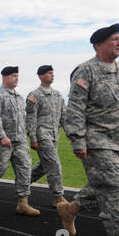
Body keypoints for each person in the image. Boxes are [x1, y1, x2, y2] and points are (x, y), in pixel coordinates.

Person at [57, 23, 119, 236]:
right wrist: (78, 140)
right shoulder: (86, 71)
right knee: (114, 188)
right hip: (97, 141)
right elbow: (75, 109)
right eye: (115, 38)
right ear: (99, 44)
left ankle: (70, 209)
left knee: (102, 183)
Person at [0, 66, 41, 216]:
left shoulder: (19, 97)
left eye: (17, 76)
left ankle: (23, 203)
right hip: (2, 141)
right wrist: (1, 136)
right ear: (5, 77)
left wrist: (27, 137)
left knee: (24, 169)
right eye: (13, 76)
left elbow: (22, 119)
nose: (16, 78)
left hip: (19, 141)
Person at [26, 65, 67, 207]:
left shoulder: (58, 95)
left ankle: (23, 183)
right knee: (54, 164)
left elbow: (64, 117)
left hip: (55, 135)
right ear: (40, 76)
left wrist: (72, 135)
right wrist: (33, 138)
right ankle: (58, 197)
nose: (52, 75)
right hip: (42, 135)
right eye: (49, 73)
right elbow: (31, 119)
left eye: (53, 73)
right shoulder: (34, 96)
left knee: (44, 166)